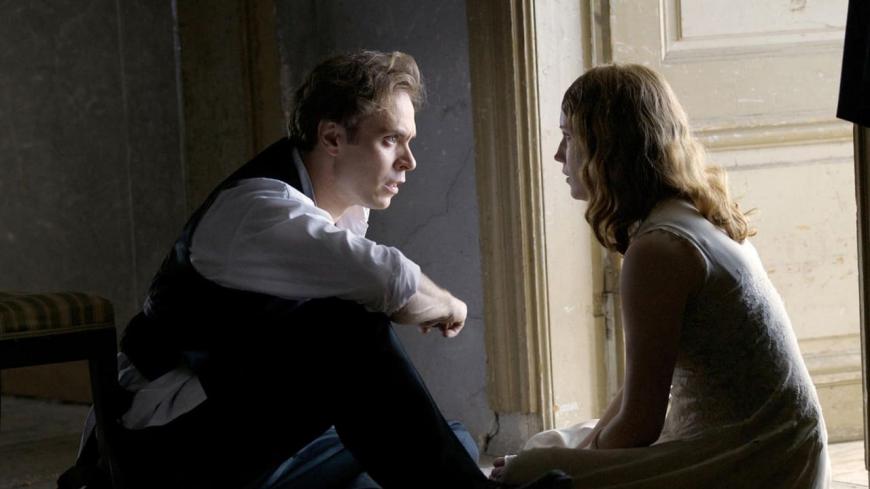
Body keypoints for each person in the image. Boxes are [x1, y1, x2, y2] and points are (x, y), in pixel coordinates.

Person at [83, 50, 570, 489]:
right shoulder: (259, 210)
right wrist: (449, 304)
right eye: (391, 140)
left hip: (232, 428)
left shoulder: (336, 215)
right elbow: (390, 282)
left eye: (409, 141)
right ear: (333, 137)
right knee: (348, 331)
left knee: (443, 442)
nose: (409, 161)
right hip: (158, 446)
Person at [491, 64, 830, 489]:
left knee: (528, 472)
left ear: (606, 149)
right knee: (547, 447)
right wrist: (582, 454)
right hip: (780, 444)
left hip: (758, 461)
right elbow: (636, 396)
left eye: (569, 137)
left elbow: (641, 423)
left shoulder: (659, 247)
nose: (560, 155)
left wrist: (578, 464)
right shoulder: (690, 214)